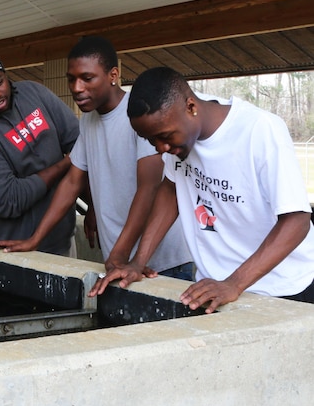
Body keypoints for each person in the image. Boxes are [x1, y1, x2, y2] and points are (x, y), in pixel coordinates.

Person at [90, 66, 314, 312]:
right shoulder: (179, 142)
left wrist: (234, 283)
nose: (161, 148)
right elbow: (170, 191)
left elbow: (297, 221)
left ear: (191, 107)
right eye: (151, 141)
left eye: (165, 136)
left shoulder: (260, 129)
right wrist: (138, 262)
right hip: (215, 289)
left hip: (282, 290)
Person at [0, 37, 192, 278]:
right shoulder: (88, 121)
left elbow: (148, 189)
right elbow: (72, 182)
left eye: (87, 78)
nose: (76, 88)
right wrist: (35, 239)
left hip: (163, 263)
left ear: (113, 74)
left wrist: (120, 253)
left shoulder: (141, 114)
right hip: (121, 261)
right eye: (71, 79)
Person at [0, 39, 80, 256]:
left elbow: (78, 140)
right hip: (16, 252)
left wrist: (93, 205)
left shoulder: (33, 93)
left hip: (63, 237)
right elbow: (9, 200)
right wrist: (66, 163)